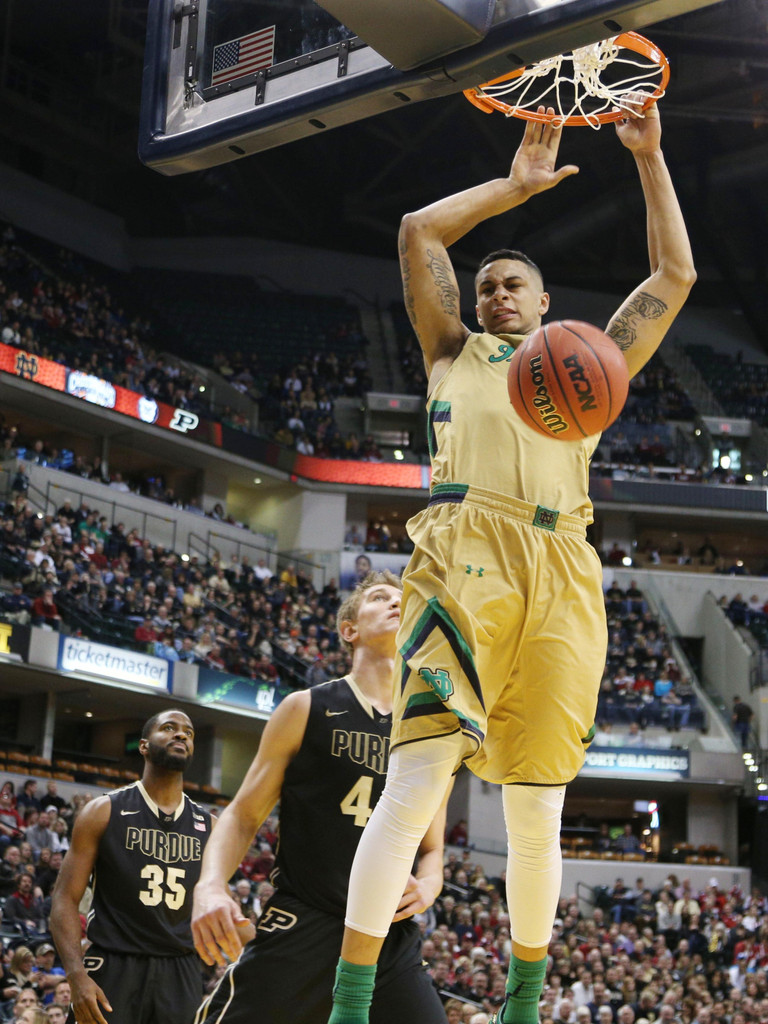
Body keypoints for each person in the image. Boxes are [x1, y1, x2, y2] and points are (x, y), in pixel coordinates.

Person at [326, 96, 695, 1024]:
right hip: (465, 547)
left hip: (563, 563)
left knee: (537, 811)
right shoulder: (450, 352)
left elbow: (674, 273)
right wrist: (514, 186)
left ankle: (524, 1008)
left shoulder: (586, 365)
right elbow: (417, 232)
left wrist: (648, 157)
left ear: (544, 308)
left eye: (511, 285)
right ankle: (349, 1004)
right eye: (486, 282)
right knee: (420, 775)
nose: (494, 293)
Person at [191, 572, 449, 1024]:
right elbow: (243, 815)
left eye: (403, 600)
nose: (395, 603)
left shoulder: (430, 731)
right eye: (379, 597)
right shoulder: (305, 707)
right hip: (305, 920)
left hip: (388, 936)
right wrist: (211, 884)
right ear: (349, 630)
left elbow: (432, 849)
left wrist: (428, 886)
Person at [50, 710, 213, 1024]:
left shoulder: (210, 826)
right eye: (169, 728)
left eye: (189, 733)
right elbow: (64, 899)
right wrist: (75, 976)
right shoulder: (102, 811)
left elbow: (223, 908)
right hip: (112, 964)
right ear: (143, 746)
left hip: (180, 970)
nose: (181, 735)